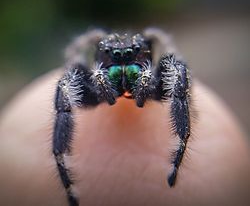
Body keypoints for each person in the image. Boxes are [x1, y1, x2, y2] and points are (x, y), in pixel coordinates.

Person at [0, 70, 249, 206]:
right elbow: (72, 71)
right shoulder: (94, 73)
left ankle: (180, 146)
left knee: (178, 68)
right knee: (65, 84)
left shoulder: (152, 69)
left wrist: (187, 106)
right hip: (99, 86)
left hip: (147, 82)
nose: (122, 67)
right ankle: (63, 168)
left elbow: (175, 64)